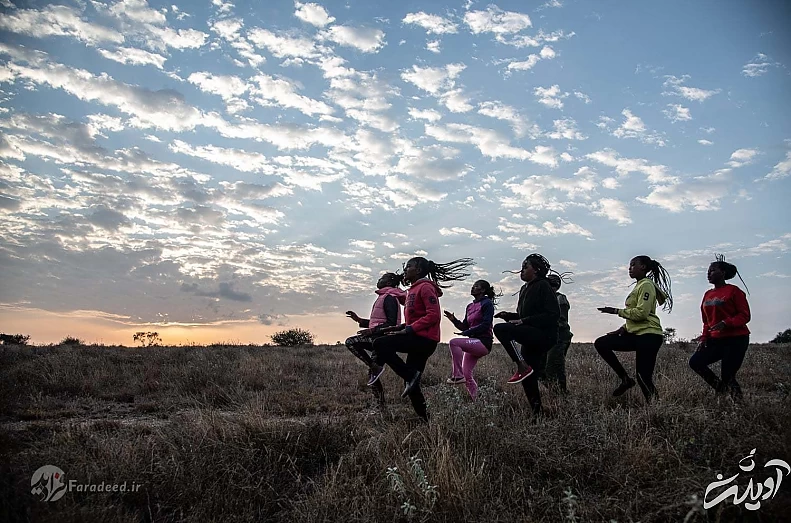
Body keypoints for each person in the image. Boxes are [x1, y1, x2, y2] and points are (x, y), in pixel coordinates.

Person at [370, 256, 474, 422]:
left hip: (424, 340)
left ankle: (410, 375)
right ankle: (426, 420)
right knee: (411, 386)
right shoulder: (412, 290)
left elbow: (433, 315)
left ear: (418, 270)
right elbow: (416, 318)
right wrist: (399, 327)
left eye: (408, 266)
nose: (405, 270)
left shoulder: (425, 287)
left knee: (380, 343)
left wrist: (410, 329)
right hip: (417, 337)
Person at [595, 255, 673, 403]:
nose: (629, 268)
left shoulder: (646, 285)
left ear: (643, 267)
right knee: (601, 343)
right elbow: (638, 314)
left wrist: (616, 311)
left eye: (632, 265)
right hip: (637, 335)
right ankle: (625, 379)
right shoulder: (639, 285)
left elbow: (642, 314)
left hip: (649, 335)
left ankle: (655, 406)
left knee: (643, 376)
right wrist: (623, 328)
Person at [493, 254, 560, 416]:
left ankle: (521, 365)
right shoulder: (525, 289)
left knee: (501, 329)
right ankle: (538, 412)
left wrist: (524, 320)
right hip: (531, 336)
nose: (521, 271)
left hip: (545, 335)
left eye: (525, 267)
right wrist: (509, 316)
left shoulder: (543, 285)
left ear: (536, 270)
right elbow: (522, 317)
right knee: (529, 377)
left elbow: (553, 314)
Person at [689, 255, 751, 400]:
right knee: (695, 362)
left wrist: (726, 323)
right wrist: (704, 338)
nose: (708, 273)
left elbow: (745, 315)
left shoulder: (734, 291)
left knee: (728, 375)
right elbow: (706, 321)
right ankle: (720, 389)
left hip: (736, 339)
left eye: (712, 270)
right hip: (715, 340)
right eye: (708, 271)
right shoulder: (708, 294)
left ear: (723, 273)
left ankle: (740, 406)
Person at [344, 272, 406, 409]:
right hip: (379, 337)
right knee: (373, 374)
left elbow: (390, 323)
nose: (379, 280)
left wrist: (372, 331)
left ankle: (376, 370)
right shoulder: (385, 297)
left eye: (382, 278)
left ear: (389, 282)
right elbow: (377, 322)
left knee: (351, 342)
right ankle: (380, 406)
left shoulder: (389, 298)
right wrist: (360, 321)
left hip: (383, 339)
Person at [443, 279, 497, 400]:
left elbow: (486, 324)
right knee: (467, 374)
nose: (472, 288)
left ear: (482, 290)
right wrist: (453, 320)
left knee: (454, 342)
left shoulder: (487, 303)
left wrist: (467, 332)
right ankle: (476, 400)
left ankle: (457, 375)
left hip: (483, 342)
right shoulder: (470, 306)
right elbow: (464, 326)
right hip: (473, 343)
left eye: (476, 286)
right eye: (472, 286)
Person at [534, 273, 573, 394]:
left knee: (554, 367)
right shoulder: (542, 299)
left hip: (559, 337)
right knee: (538, 370)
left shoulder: (560, 298)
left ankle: (561, 394)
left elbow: (561, 321)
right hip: (545, 337)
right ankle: (555, 391)